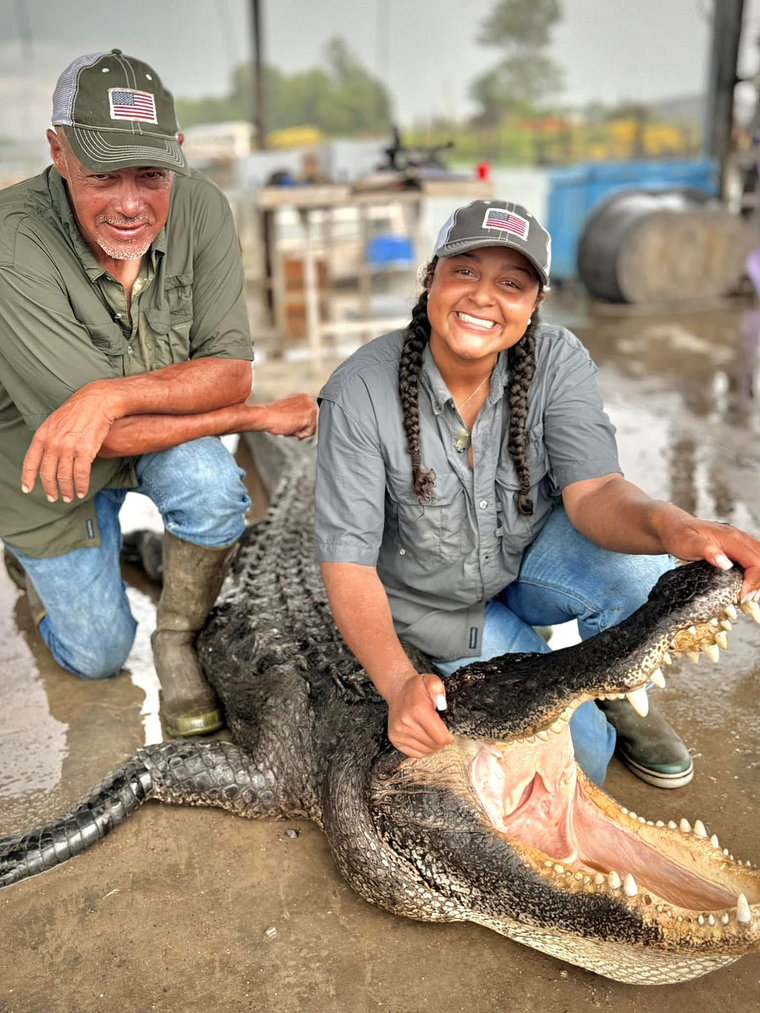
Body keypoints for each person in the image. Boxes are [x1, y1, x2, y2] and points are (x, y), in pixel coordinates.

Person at [315, 199, 760, 788]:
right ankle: (579, 697)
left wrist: (674, 526)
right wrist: (398, 684)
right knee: (579, 764)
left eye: (511, 283)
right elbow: (347, 565)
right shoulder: (359, 392)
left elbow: (596, 490)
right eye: (464, 271)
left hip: (527, 561)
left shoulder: (557, 358)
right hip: (442, 608)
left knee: (643, 572)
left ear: (534, 303)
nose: (482, 296)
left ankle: (621, 689)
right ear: (431, 279)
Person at [0, 50, 316, 737]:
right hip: (45, 462)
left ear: (176, 151)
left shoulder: (202, 206)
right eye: (103, 175)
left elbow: (229, 370)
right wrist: (256, 417)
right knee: (97, 656)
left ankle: (178, 637)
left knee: (213, 488)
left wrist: (106, 395)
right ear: (58, 153)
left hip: (148, 428)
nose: (130, 204)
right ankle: (31, 562)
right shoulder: (11, 239)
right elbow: (104, 438)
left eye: (151, 174)